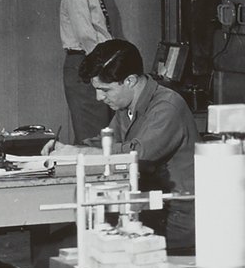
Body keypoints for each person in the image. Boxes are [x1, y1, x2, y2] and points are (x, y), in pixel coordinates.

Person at [82, 38, 199, 254]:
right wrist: (62, 152)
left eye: (105, 90)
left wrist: (80, 154)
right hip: (148, 207)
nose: (99, 97)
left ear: (130, 81)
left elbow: (137, 156)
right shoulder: (126, 106)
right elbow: (107, 142)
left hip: (176, 217)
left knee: (85, 243)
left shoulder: (167, 107)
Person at [58, 0, 123, 144]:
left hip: (96, 63)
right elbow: (85, 36)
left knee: (100, 130)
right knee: (91, 131)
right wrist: (105, 65)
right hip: (86, 64)